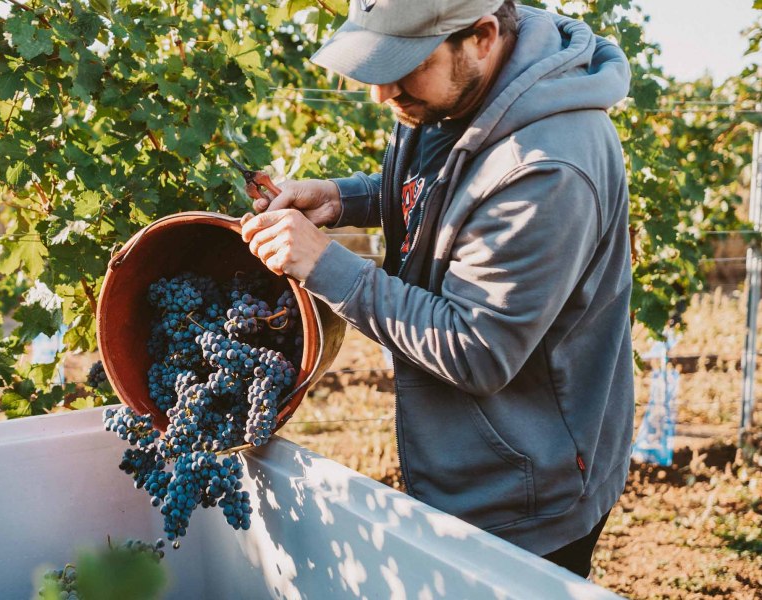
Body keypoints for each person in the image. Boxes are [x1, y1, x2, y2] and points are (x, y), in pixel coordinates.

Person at [239, 0, 633, 578]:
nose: (381, 93)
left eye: (404, 64)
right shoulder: (456, 94)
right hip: (470, 458)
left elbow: (477, 349)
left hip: (525, 491)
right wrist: (345, 197)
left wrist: (325, 266)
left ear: (481, 36)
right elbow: (448, 188)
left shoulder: (548, 168)